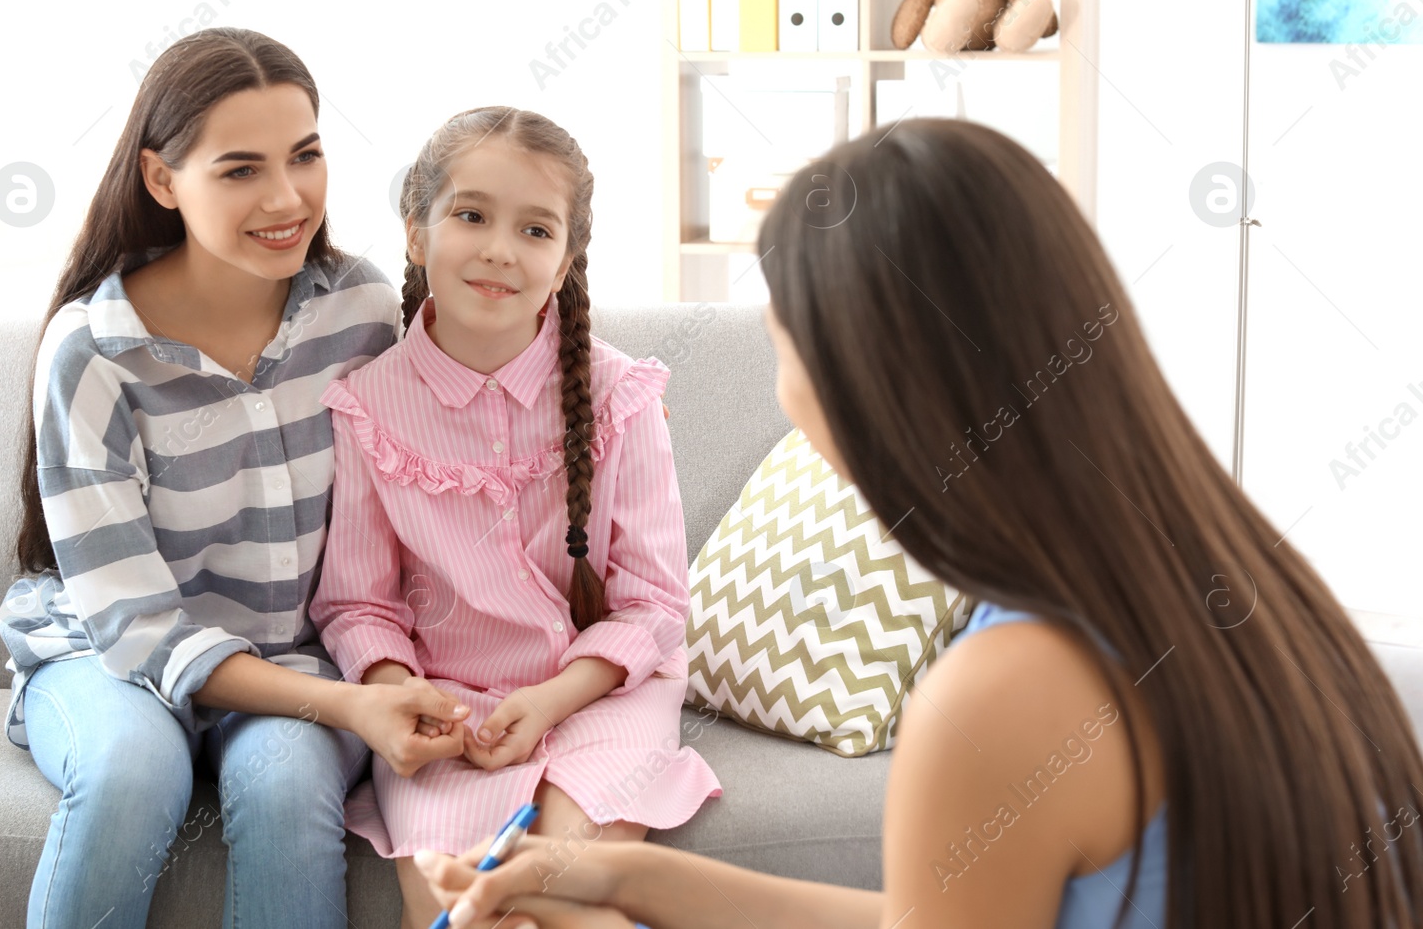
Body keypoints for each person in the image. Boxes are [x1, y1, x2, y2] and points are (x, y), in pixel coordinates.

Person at [409, 118, 1423, 928]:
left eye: (781, 343)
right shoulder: (1245, 580)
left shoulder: (1003, 689)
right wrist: (627, 883)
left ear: (869, 382)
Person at [0, 27, 468, 929]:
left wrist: (602, 409)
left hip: (292, 652)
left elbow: (465, 413)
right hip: (110, 658)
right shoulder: (93, 351)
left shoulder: (362, 309)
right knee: (134, 769)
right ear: (162, 179)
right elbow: (134, 628)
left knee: (289, 783)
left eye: (305, 155)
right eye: (240, 169)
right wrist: (350, 703)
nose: (287, 198)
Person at [310, 106, 722, 929]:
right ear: (418, 233)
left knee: (556, 898)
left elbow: (653, 604)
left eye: (535, 229)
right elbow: (358, 603)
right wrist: (407, 694)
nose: (500, 247)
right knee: (455, 910)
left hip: (599, 696)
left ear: (566, 258)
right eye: (471, 215)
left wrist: (551, 700)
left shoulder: (619, 394)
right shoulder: (367, 404)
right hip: (451, 714)